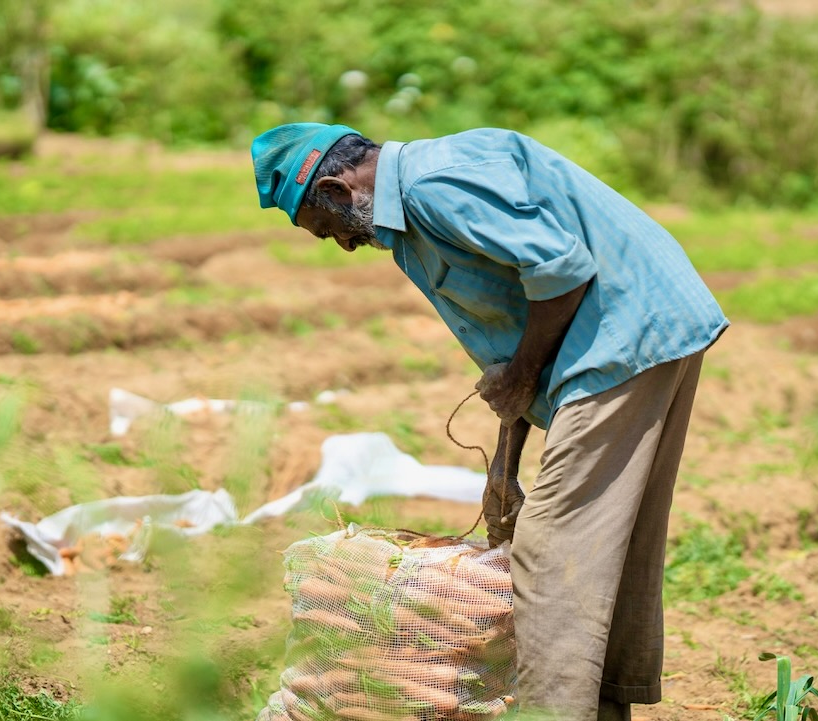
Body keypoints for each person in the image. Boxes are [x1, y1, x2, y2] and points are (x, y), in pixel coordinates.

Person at [250, 123, 728, 721]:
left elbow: (560, 271)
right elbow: (514, 339)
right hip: (637, 329)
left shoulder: (433, 187)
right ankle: (603, 707)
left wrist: (522, 379)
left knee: (551, 550)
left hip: (624, 332)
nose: (343, 245)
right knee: (607, 538)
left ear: (338, 189)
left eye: (328, 230)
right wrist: (505, 459)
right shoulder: (410, 218)